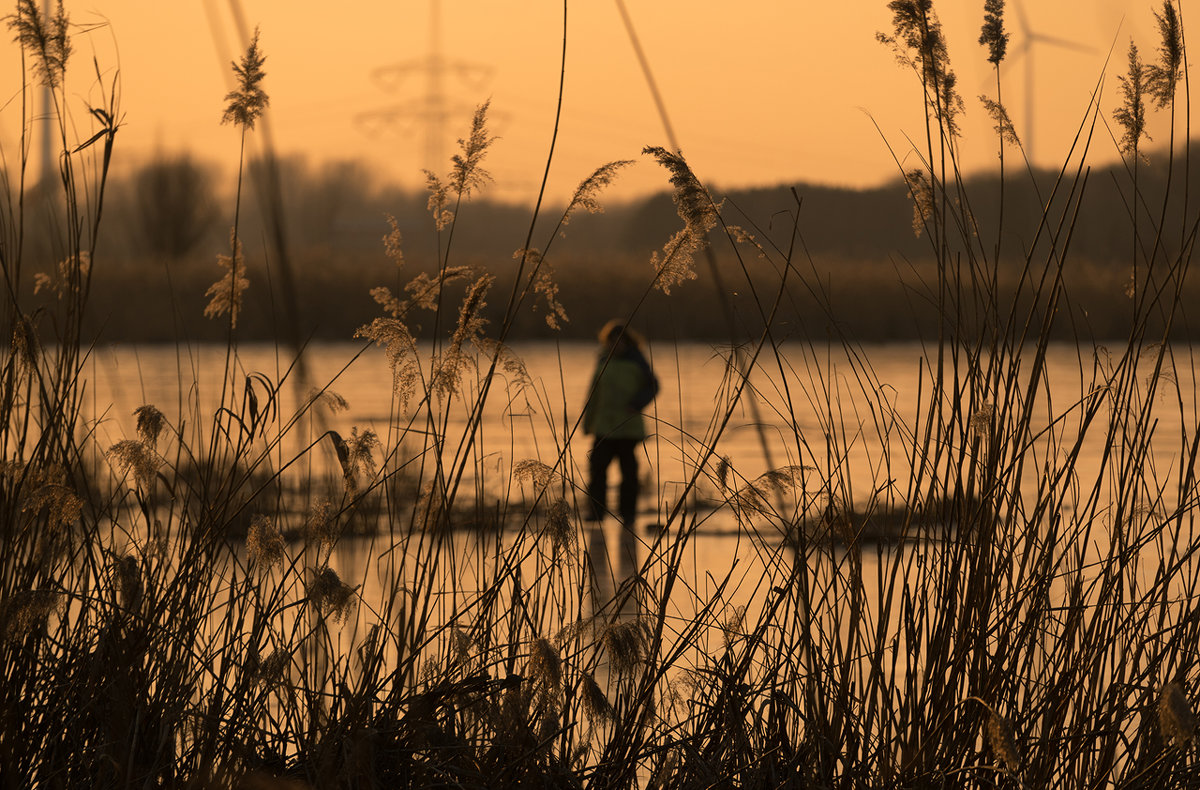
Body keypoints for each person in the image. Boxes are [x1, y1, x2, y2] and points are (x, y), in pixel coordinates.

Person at [582, 320, 658, 527]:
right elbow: (594, 394)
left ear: (627, 341)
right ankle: (596, 513)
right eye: (611, 341)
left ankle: (628, 515)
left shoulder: (637, 361)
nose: (616, 345)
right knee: (597, 470)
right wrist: (587, 423)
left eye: (620, 341)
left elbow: (653, 386)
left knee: (629, 474)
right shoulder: (603, 361)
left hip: (628, 427)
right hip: (603, 426)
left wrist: (637, 403)